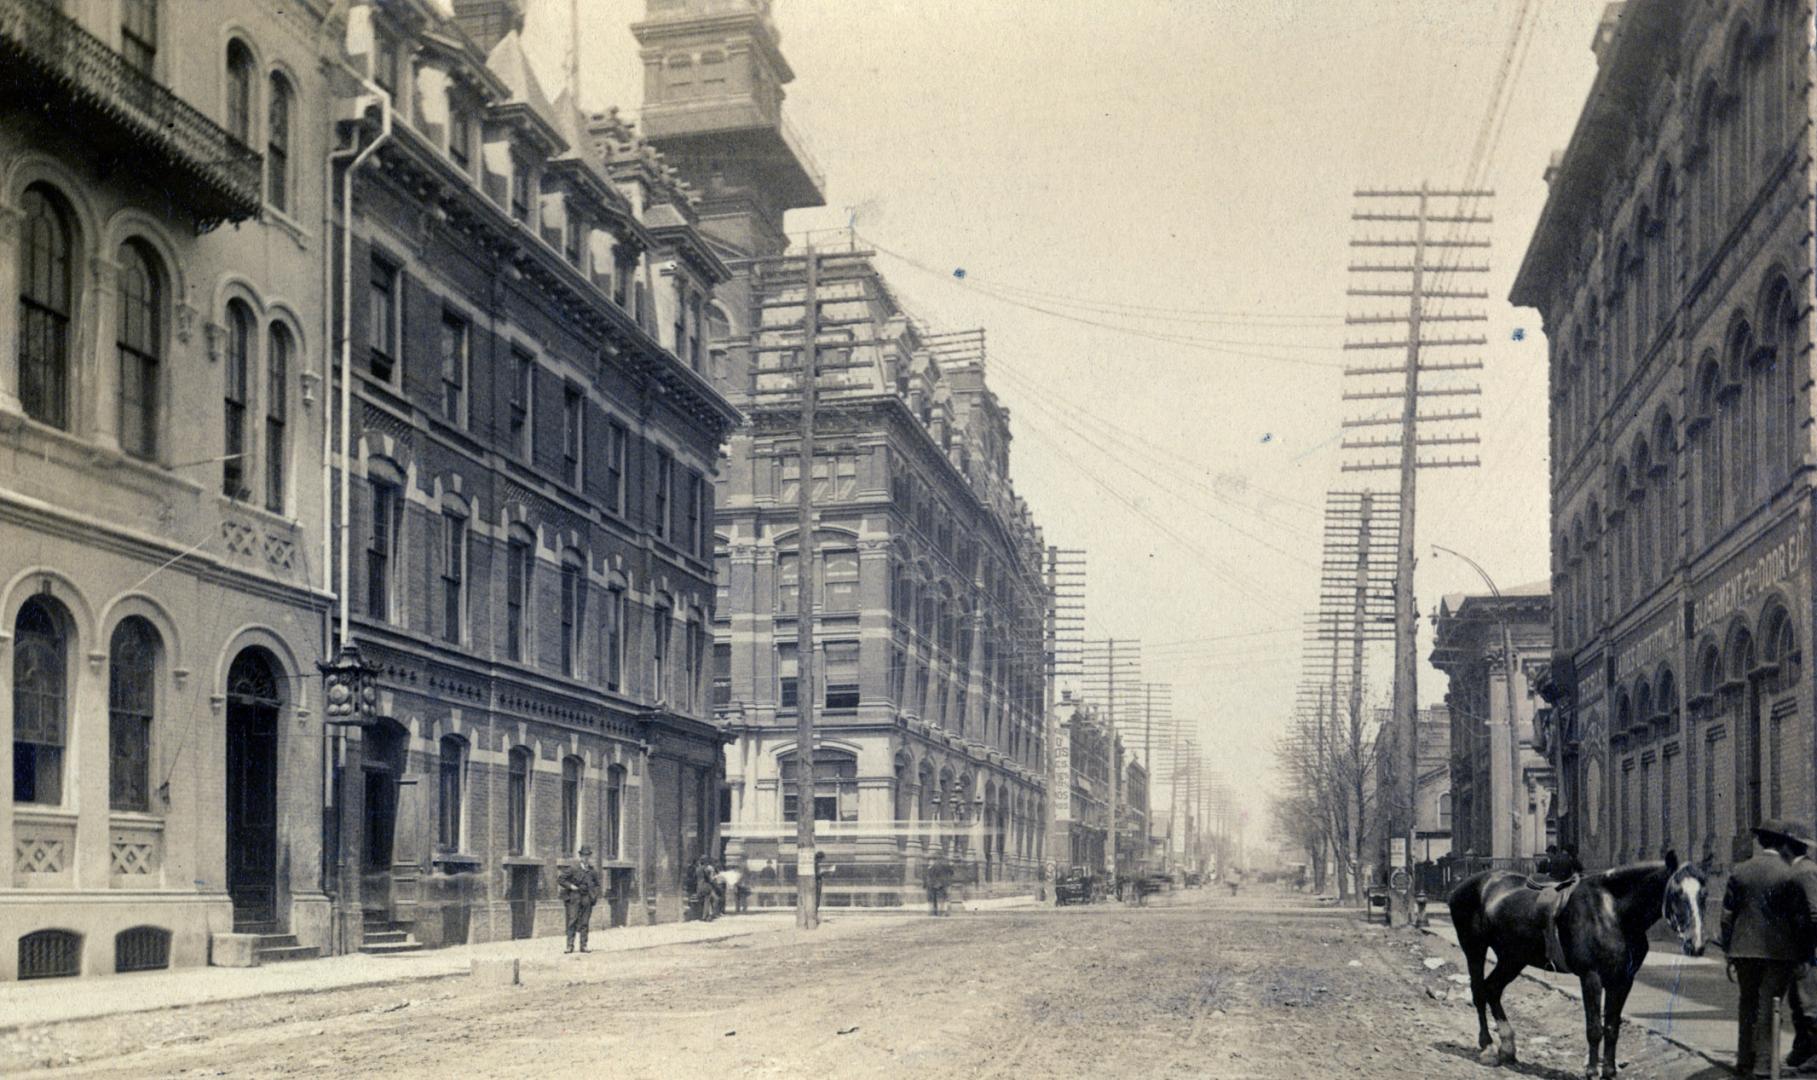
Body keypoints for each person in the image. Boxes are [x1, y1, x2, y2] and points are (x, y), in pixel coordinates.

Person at [1719, 818, 1817, 1077]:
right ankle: (1764, 1066)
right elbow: (1801, 918)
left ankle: (1744, 1061)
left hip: (1743, 951)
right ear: (1783, 843)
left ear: (1760, 841)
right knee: (1769, 1005)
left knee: (1747, 1004)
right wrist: (1804, 953)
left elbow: (1727, 916)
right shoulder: (1789, 874)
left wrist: (1728, 950)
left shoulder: (1740, 870)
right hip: (1779, 954)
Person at [558, 846, 602, 953]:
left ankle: (584, 945)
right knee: (572, 921)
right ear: (580, 856)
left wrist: (593, 896)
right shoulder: (573, 868)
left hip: (587, 898)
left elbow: (597, 884)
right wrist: (571, 886)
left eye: (587, 856)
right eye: (584, 856)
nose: (586, 858)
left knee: (585, 922)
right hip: (575, 897)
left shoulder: (591, 871)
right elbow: (561, 879)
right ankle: (570, 946)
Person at [923, 851, 951, 916]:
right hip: (936, 885)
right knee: (939, 898)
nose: (930, 861)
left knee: (938, 899)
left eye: (932, 859)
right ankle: (936, 912)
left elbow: (935, 876)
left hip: (937, 885)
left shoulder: (936, 866)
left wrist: (937, 884)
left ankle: (937, 912)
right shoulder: (934, 866)